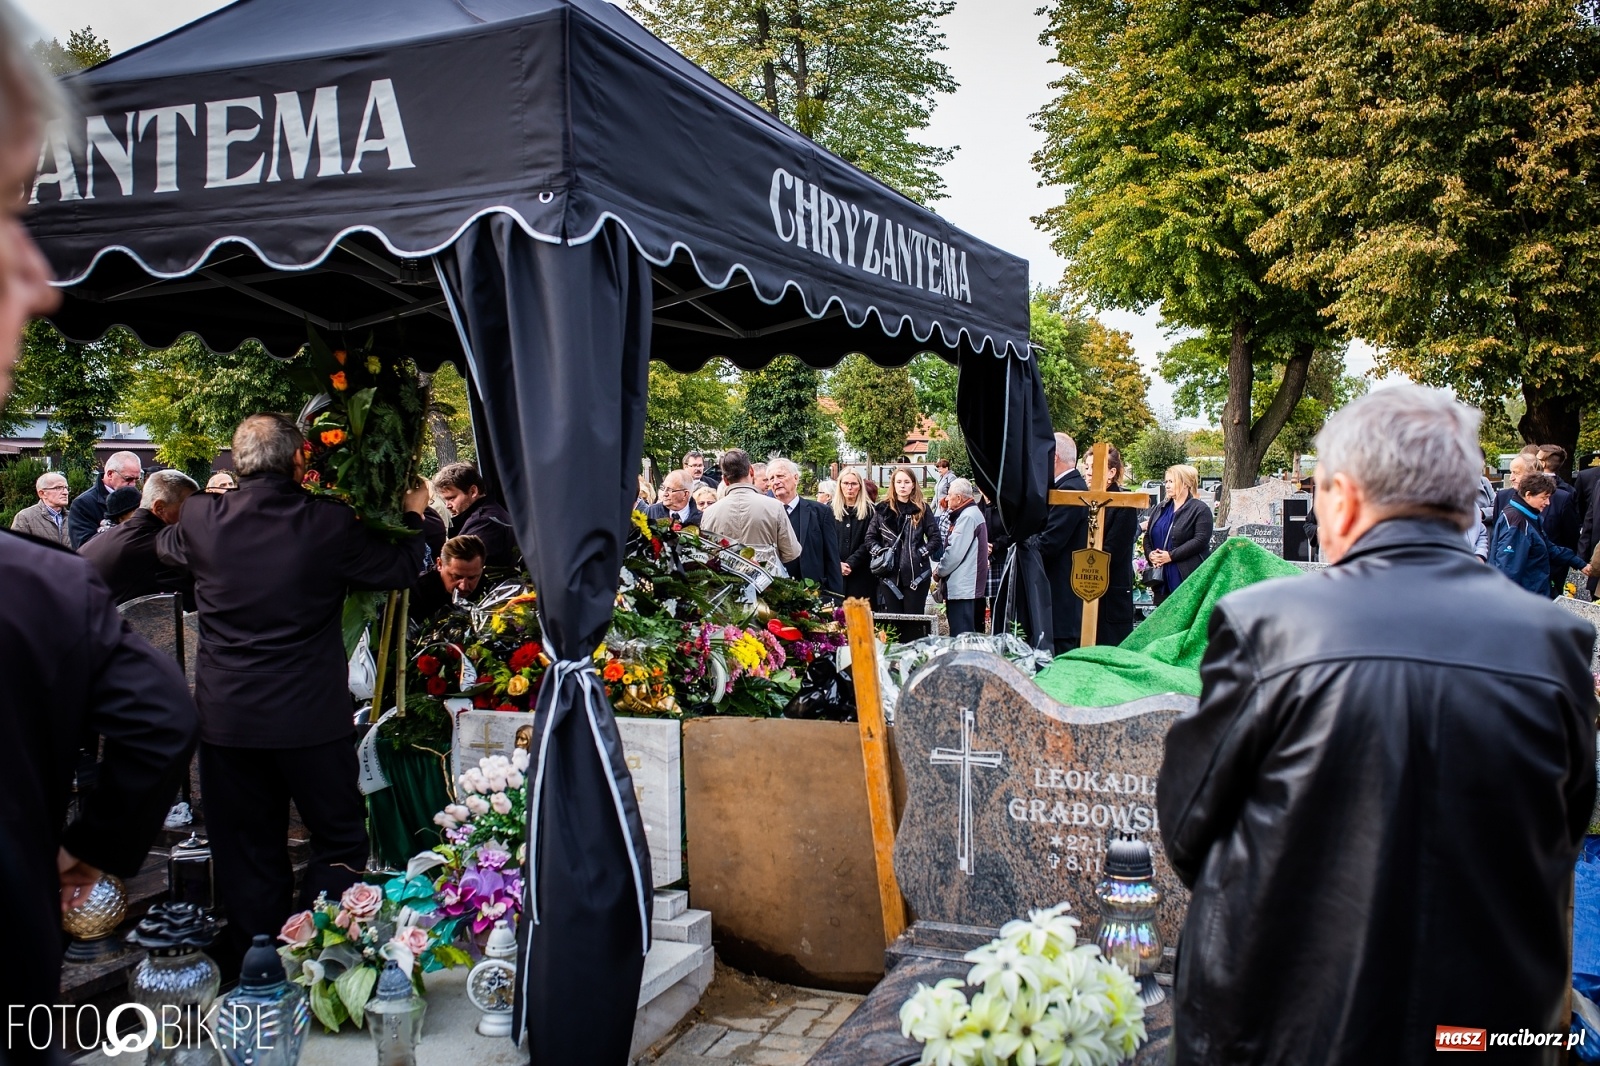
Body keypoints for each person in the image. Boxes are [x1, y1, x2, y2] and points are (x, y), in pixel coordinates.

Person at [1157, 385, 1595, 1065]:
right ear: (1459, 504)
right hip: (1485, 1023)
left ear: (1346, 497)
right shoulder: (1554, 645)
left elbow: (1186, 827)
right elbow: (1561, 831)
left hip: (1283, 1016)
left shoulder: (1268, 626)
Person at [0, 13, 200, 1051]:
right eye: (1, 212)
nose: (39, 279)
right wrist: (79, 847)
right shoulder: (40, 580)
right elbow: (161, 712)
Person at [157, 414, 430, 964]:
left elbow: (163, 546)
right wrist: (414, 516)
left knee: (245, 849)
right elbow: (400, 566)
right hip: (308, 717)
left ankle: (256, 959)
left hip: (229, 718)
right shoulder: (327, 524)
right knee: (340, 839)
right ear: (301, 461)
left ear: (235, 464)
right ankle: (314, 955)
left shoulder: (202, 518)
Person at [79, 469, 198, 606]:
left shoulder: (114, 535)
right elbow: (202, 594)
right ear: (159, 508)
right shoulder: (158, 546)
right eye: (188, 507)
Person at [1490, 471, 1591, 597]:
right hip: (1526, 598)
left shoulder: (1528, 516)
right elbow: (1509, 570)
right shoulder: (1517, 523)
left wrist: (1578, 563)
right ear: (1528, 495)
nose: (1548, 503)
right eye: (1544, 497)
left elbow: (1547, 546)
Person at [1032, 433, 1088, 652]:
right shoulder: (1066, 487)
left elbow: (1049, 543)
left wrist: (1024, 545)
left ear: (1054, 457)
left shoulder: (1071, 491)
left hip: (1062, 599)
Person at [699, 448, 801, 562]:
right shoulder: (774, 507)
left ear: (725, 480)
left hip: (725, 578)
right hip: (767, 577)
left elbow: (705, 555)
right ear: (751, 471)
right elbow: (791, 552)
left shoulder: (709, 512)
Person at [867, 465, 943, 613]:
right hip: (889, 575)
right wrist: (881, 553)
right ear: (893, 484)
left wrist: (920, 552)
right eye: (899, 482)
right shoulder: (883, 509)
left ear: (913, 484)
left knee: (914, 623)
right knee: (894, 624)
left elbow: (935, 537)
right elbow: (870, 538)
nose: (903, 485)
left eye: (907, 482)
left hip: (916, 575)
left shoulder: (922, 508)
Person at [1089, 446, 1139, 646]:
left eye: (1094, 467)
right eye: (1087, 467)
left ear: (1112, 472)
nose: (1089, 472)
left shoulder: (1124, 505)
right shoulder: (1085, 499)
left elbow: (1114, 551)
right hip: (1083, 585)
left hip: (1110, 591)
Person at [769, 457, 842, 594]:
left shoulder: (821, 512)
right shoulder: (765, 513)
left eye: (780, 476)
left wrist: (836, 596)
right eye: (771, 479)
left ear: (795, 478)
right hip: (775, 593)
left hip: (812, 592)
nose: (776, 481)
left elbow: (832, 557)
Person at [1144, 464, 1213, 606]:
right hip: (1161, 577)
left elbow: (1200, 540)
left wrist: (1170, 556)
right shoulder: (1160, 508)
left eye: (1171, 481)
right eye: (1166, 482)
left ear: (1186, 483)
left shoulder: (1200, 509)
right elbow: (1148, 536)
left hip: (1185, 575)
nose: (1167, 485)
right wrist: (1151, 555)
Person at [433, 462, 518, 569]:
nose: (447, 505)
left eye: (451, 498)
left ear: (473, 491)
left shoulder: (483, 522)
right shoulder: (491, 514)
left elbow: (456, 567)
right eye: (445, 500)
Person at [934, 478, 988, 635]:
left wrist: (939, 571)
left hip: (963, 589)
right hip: (968, 588)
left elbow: (954, 553)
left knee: (961, 636)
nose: (946, 498)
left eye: (949, 494)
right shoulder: (972, 513)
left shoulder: (966, 517)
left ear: (958, 498)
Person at [69, 450, 143, 548]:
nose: (133, 484)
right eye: (128, 479)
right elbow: (84, 547)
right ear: (110, 474)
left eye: (136, 480)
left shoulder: (140, 499)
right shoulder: (83, 504)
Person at [411, 534, 488, 623]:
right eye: (457, 577)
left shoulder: (485, 586)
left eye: (472, 578)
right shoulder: (416, 595)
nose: (464, 587)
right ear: (440, 564)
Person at [1537, 444, 1581, 595]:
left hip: (1553, 560)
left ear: (1542, 463)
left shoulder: (1565, 493)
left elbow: (1571, 530)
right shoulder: (1569, 490)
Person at [833, 469, 877, 601]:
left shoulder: (871, 511)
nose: (849, 488)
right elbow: (824, 541)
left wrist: (851, 563)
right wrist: (836, 563)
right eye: (845, 483)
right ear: (840, 485)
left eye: (854, 484)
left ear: (860, 486)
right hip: (835, 573)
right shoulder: (828, 510)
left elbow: (870, 541)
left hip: (861, 574)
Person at [10, 469, 70, 545]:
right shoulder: (25, 517)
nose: (65, 492)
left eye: (66, 488)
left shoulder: (74, 517)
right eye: (58, 488)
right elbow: (17, 549)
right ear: (42, 493)